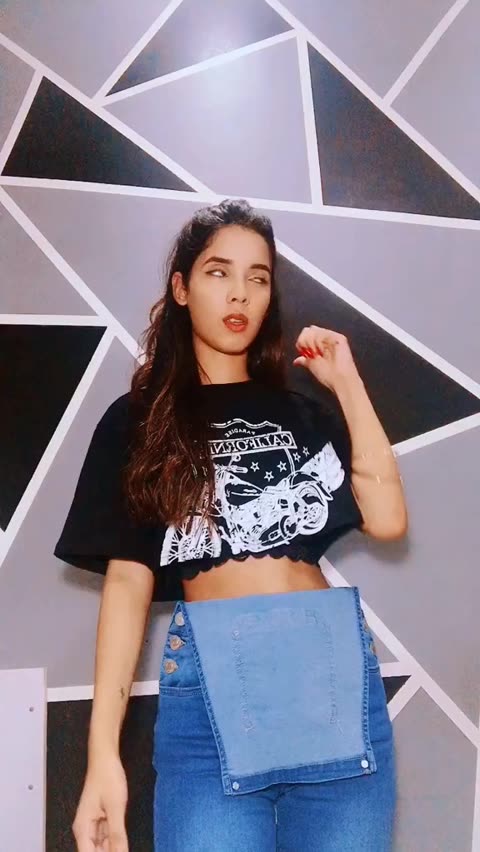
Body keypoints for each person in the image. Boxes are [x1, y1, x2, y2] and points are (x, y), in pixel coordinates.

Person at [54, 199, 407, 852]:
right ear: (181, 288)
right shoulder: (138, 421)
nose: (240, 292)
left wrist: (347, 383)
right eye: (218, 272)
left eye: (258, 277)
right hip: (209, 702)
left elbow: (386, 519)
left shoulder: (302, 413)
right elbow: (127, 586)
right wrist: (103, 756)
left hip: (328, 686)